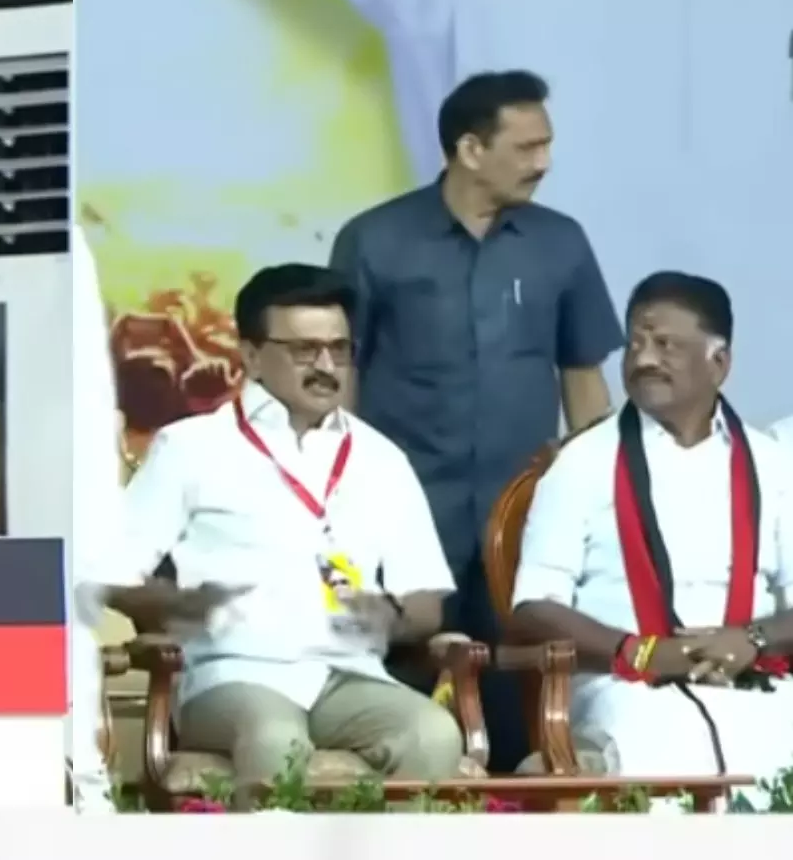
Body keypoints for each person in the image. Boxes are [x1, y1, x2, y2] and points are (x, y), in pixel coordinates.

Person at [329, 70, 623, 771]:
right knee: (395, 688)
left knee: (522, 690)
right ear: (469, 149)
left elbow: (584, 379)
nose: (543, 162)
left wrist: (601, 505)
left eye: (546, 145)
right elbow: (339, 375)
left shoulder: (561, 243)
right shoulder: (374, 240)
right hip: (404, 512)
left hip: (522, 517)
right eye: (526, 147)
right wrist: (336, 497)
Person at [81, 264, 462, 802]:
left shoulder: (381, 459)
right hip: (234, 673)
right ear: (252, 355)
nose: (326, 366)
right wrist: (177, 608)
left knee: (432, 734)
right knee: (276, 739)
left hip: (347, 673)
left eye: (339, 349)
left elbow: (425, 601)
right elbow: (111, 572)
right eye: (304, 350)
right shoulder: (191, 447)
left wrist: (389, 618)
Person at [511, 272, 793, 789]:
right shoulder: (581, 462)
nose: (643, 359)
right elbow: (533, 607)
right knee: (661, 737)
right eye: (635, 344)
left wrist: (752, 639)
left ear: (719, 363)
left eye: (666, 345)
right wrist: (640, 651)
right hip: (623, 685)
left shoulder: (774, 464)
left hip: (753, 680)